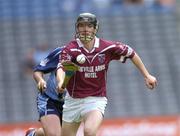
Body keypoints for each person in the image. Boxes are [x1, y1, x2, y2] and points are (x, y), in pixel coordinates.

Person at [56, 12, 157, 136]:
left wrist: (147, 75)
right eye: (81, 26)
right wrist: (60, 81)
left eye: (89, 26)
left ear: (95, 28)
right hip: (73, 100)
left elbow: (131, 53)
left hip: (95, 99)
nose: (85, 29)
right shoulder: (70, 49)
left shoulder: (107, 47)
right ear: (77, 28)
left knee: (89, 131)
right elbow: (61, 67)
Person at [25, 47, 65, 136]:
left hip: (71, 104)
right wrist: (40, 80)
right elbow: (37, 71)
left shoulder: (93, 58)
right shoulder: (61, 52)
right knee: (54, 134)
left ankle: (33, 134)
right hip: (49, 100)